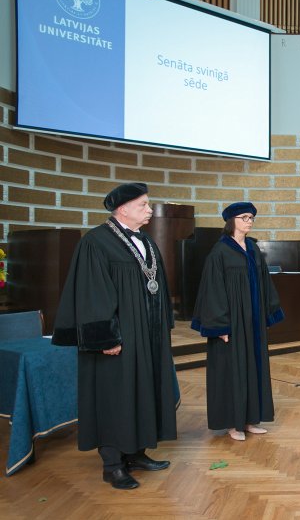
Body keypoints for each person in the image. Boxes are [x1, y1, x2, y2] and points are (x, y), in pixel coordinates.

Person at [52, 182, 179, 490]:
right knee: (114, 395)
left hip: (147, 336)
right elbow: (92, 294)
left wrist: (162, 327)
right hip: (120, 337)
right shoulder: (96, 242)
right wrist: (106, 338)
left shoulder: (146, 241)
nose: (150, 210)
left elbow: (156, 286)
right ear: (123, 209)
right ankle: (112, 464)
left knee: (142, 390)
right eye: (144, 205)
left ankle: (136, 452)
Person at [192, 202, 284, 441]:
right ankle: (233, 424)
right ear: (231, 220)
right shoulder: (220, 251)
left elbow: (264, 283)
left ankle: (251, 419)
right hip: (232, 324)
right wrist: (220, 326)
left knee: (253, 368)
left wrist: (268, 312)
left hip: (252, 323)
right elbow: (212, 290)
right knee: (232, 370)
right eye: (244, 217)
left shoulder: (253, 248)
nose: (249, 221)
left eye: (252, 217)